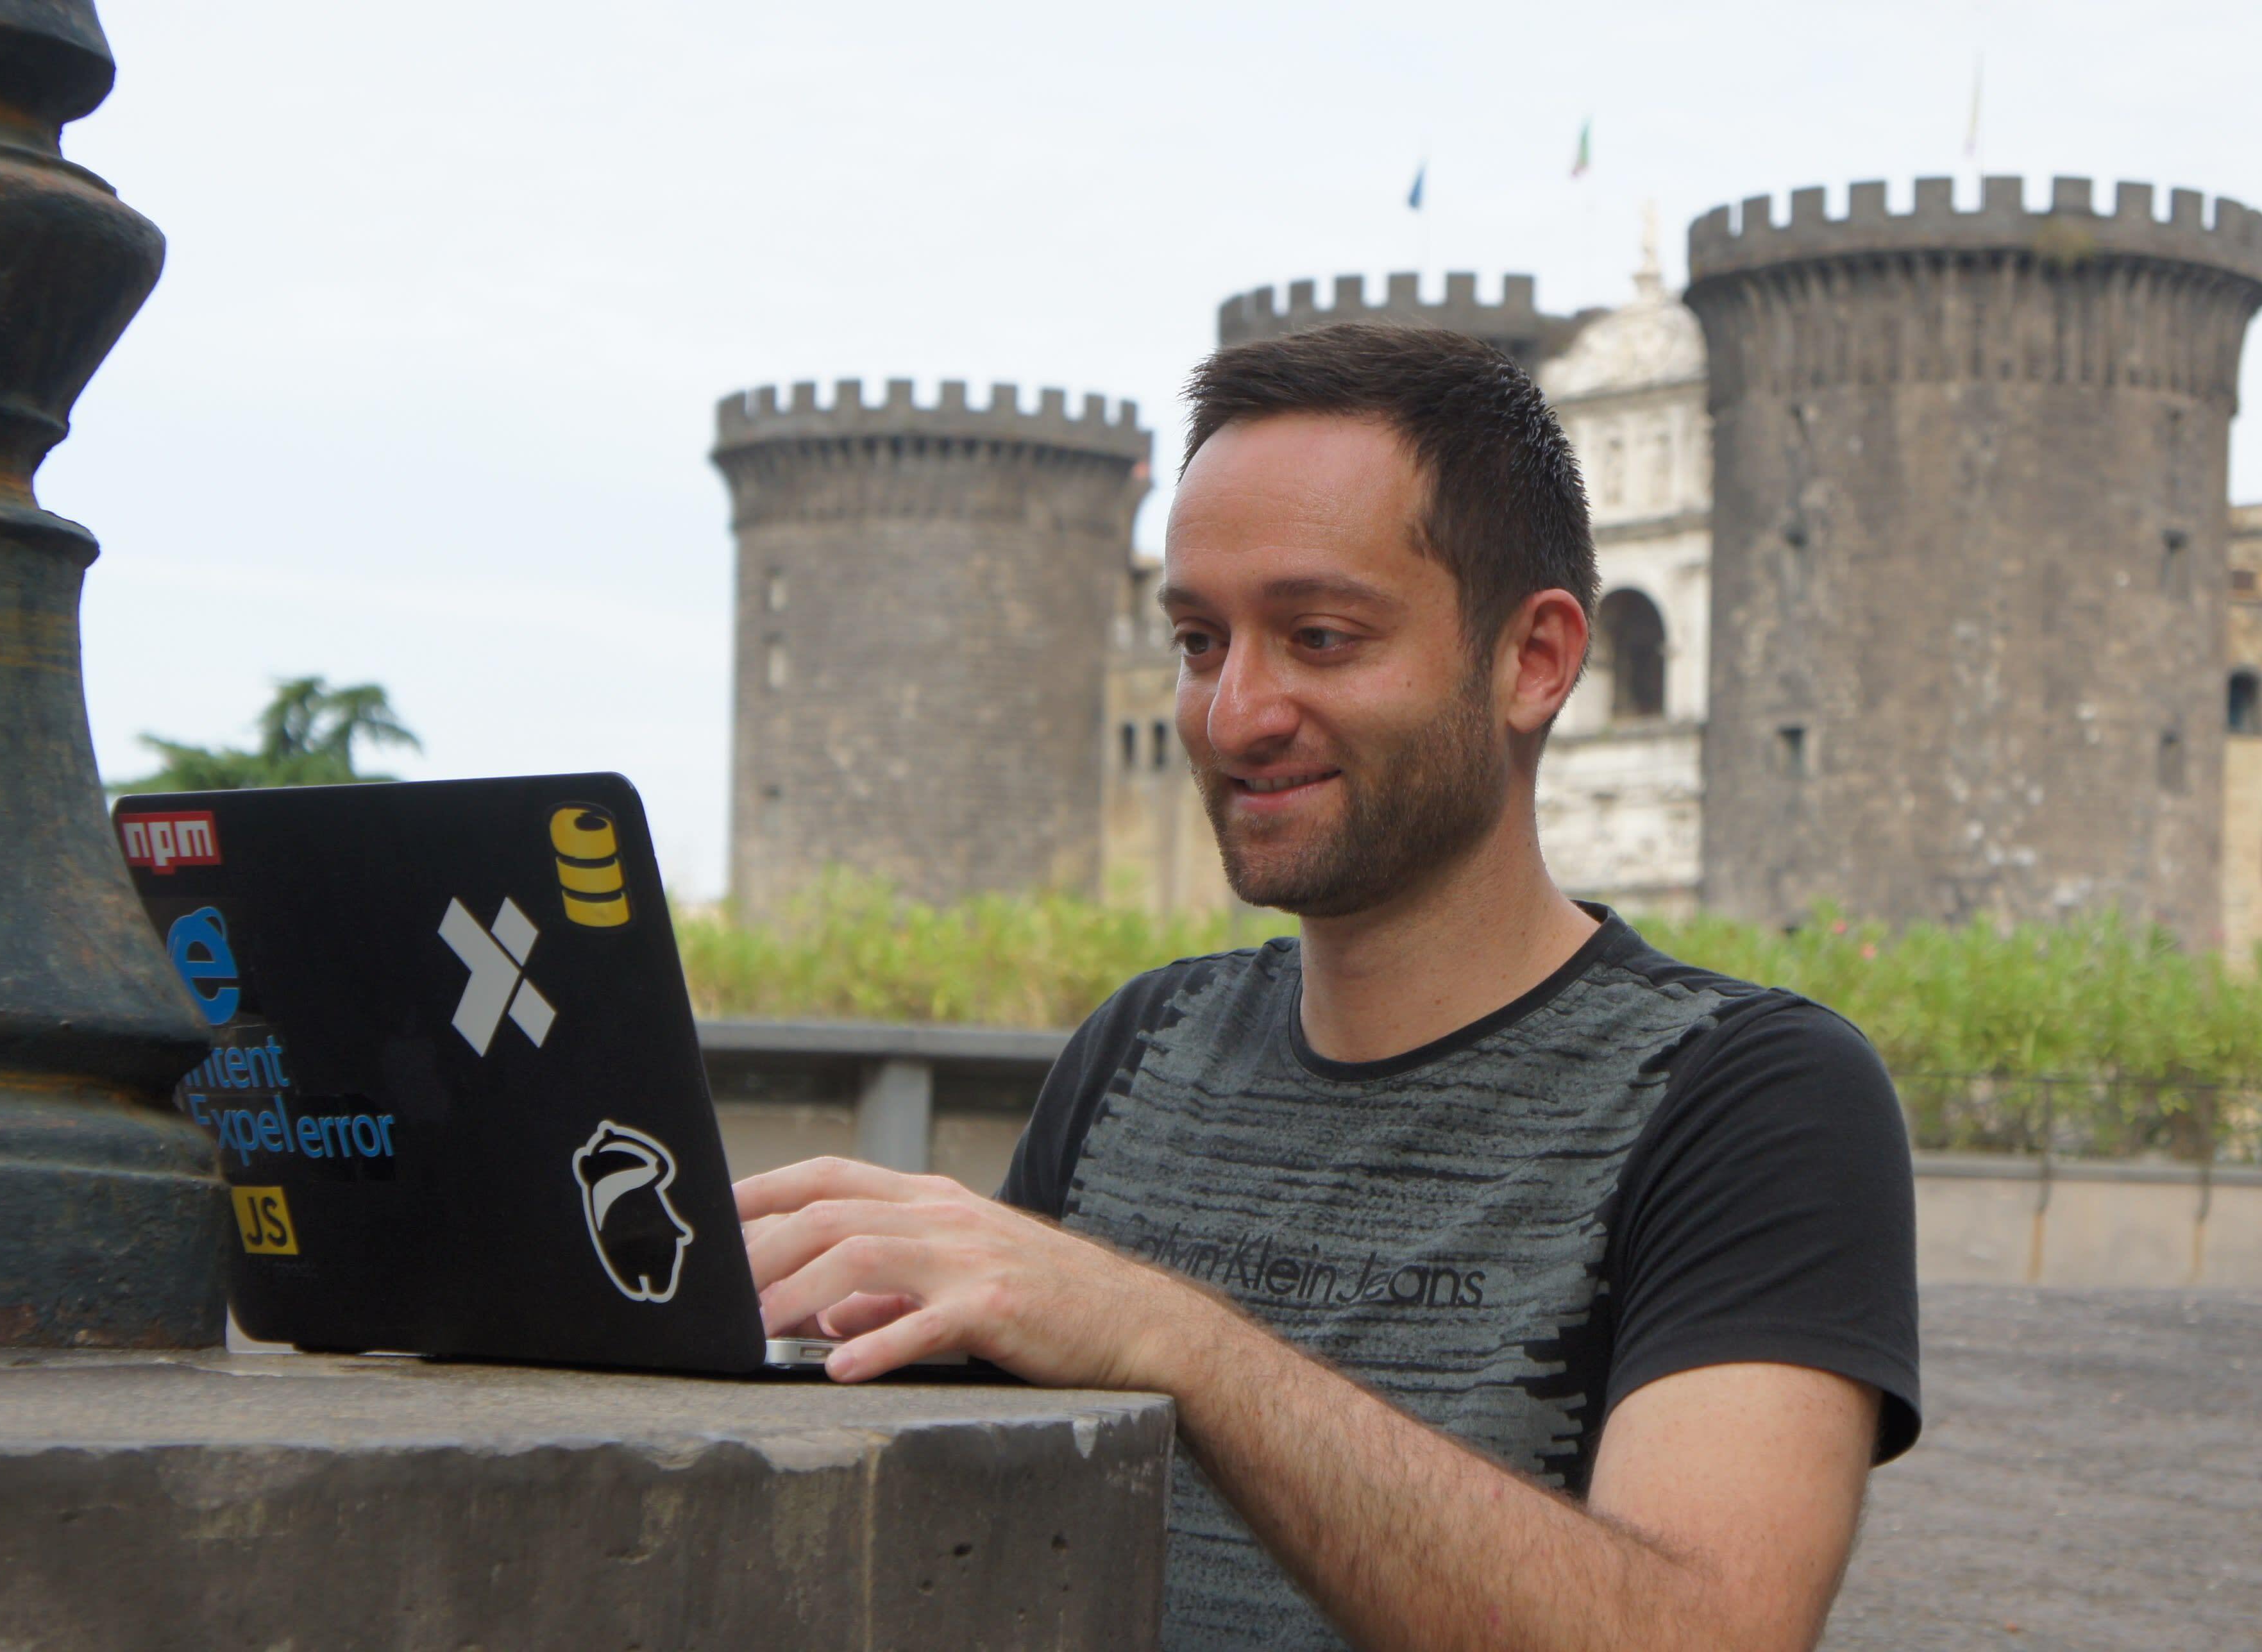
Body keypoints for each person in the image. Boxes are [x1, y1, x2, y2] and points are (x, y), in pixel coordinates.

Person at [735, 323, 1920, 1651]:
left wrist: (1161, 1334)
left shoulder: (1750, 1098)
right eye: (1197, 641)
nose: (1235, 712)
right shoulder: (1141, 1045)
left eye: (1317, 635)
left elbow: (1702, 1634)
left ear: (1533, 659)